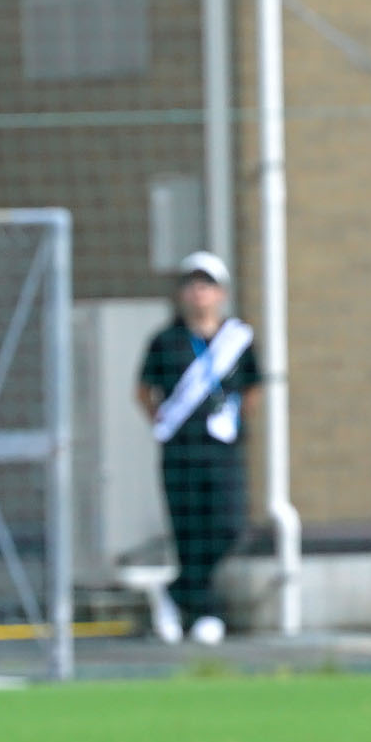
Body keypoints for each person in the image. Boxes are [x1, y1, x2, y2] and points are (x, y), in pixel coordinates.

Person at [135, 250, 258, 645]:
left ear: (221, 292)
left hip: (222, 448)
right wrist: (160, 419)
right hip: (180, 449)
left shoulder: (237, 340)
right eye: (192, 284)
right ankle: (202, 611)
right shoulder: (166, 340)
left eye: (207, 284)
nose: (199, 292)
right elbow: (143, 389)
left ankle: (176, 592)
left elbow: (254, 388)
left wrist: (236, 421)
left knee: (227, 525)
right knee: (188, 530)